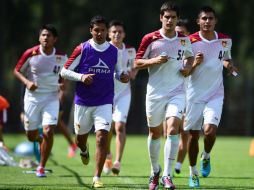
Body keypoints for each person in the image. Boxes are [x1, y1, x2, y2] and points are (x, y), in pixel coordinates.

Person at [60, 15, 129, 188]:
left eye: (102, 30)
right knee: (80, 140)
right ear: (91, 30)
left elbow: (118, 71)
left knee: (102, 138)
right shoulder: (82, 48)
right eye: (96, 30)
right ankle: (84, 150)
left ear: (107, 31)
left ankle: (97, 177)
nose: (99, 33)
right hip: (83, 102)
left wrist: (122, 76)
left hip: (105, 101)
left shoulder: (114, 51)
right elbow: (64, 71)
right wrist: (81, 76)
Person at [134, 2, 194, 190]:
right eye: (166, 17)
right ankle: (155, 171)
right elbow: (136, 62)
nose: (169, 20)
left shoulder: (184, 39)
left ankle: (167, 175)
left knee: (173, 128)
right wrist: (154, 60)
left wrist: (187, 68)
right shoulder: (150, 38)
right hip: (155, 93)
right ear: (161, 18)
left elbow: (190, 57)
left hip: (177, 91)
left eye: (173, 17)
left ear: (177, 19)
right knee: (154, 133)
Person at [185, 6, 238, 188]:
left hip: (215, 93)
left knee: (209, 132)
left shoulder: (225, 40)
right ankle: (192, 172)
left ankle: (206, 156)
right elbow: (184, 72)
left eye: (210, 18)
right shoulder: (189, 41)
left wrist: (229, 66)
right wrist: (195, 64)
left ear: (215, 21)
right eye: (204, 19)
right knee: (193, 136)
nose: (207, 21)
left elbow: (225, 58)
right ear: (198, 21)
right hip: (193, 95)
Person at [14, 24, 68, 177]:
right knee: (30, 136)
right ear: (39, 37)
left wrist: (63, 85)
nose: (45, 38)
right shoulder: (30, 53)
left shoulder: (62, 56)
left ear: (55, 39)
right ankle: (38, 139)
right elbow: (16, 71)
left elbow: (65, 74)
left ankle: (41, 167)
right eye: (43, 35)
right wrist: (27, 83)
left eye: (49, 35)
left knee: (49, 130)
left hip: (51, 97)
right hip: (32, 98)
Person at [103, 20, 137, 176]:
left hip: (124, 93)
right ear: (109, 34)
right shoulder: (104, 49)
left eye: (119, 32)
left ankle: (117, 161)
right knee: (106, 128)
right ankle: (107, 155)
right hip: (105, 93)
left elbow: (134, 70)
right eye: (114, 32)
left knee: (119, 127)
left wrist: (131, 74)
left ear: (124, 34)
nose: (117, 34)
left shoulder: (130, 50)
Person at [173, 19, 191, 176]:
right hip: (172, 96)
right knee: (170, 132)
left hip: (189, 98)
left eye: (182, 33)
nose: (178, 35)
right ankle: (168, 166)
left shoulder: (192, 51)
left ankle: (178, 163)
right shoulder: (170, 51)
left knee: (185, 134)